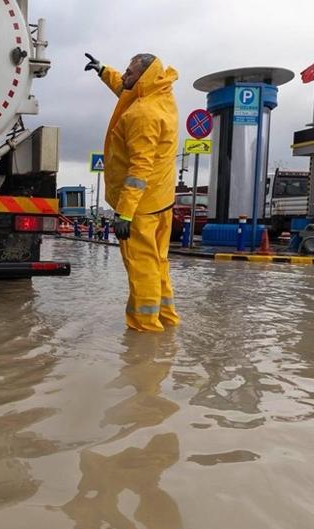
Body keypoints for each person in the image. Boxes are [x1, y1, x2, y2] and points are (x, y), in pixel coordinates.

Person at [84, 53, 180, 332]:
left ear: (143, 78)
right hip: (161, 201)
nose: (124, 76)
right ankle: (167, 319)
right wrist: (103, 71)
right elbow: (126, 88)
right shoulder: (161, 96)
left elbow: (139, 170)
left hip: (140, 209)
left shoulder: (143, 115)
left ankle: (145, 329)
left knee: (142, 268)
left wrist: (124, 213)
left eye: (129, 72)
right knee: (158, 263)